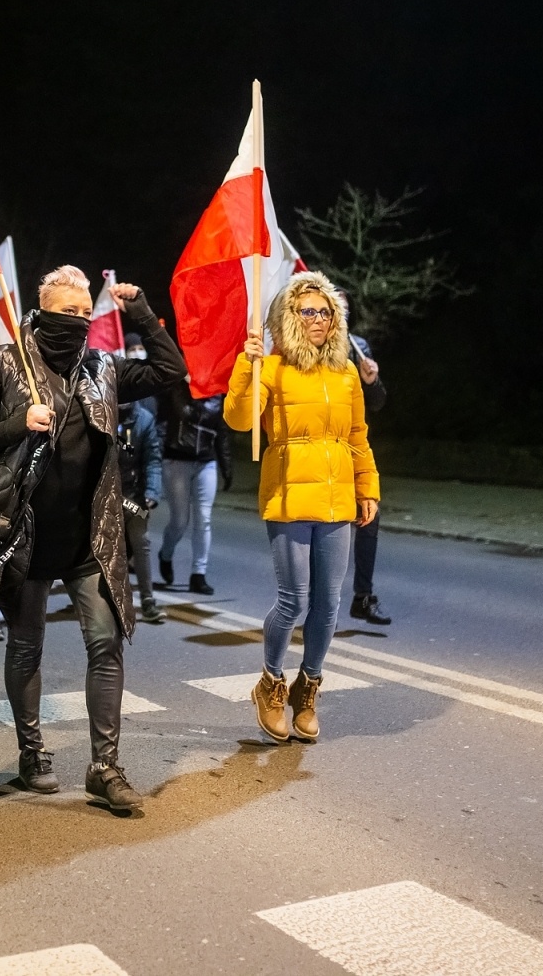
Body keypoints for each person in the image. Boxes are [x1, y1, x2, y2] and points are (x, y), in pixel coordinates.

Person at [0, 265, 184, 811]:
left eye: (86, 313)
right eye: (68, 313)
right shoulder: (8, 362)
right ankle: (31, 752)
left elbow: (169, 369)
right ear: (41, 312)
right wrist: (19, 423)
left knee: (106, 645)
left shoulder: (102, 367)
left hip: (91, 538)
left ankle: (104, 768)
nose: (79, 322)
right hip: (26, 535)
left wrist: (142, 313)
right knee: (26, 645)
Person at [224, 273, 379, 745]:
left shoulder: (347, 372)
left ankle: (307, 687)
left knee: (329, 604)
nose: (319, 319)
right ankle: (270, 682)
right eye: (308, 311)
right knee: (294, 600)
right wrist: (246, 367)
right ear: (289, 318)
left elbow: (357, 436)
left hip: (337, 497)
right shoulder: (270, 367)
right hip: (288, 493)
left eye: (326, 311)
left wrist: (367, 485)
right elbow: (238, 418)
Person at [156, 382, 232, 595]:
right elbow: (165, 419)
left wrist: (227, 467)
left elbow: (222, 431)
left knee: (204, 518)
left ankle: (198, 575)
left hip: (206, 461)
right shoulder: (177, 387)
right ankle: (166, 554)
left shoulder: (217, 395)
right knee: (180, 521)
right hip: (177, 459)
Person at [347, 331, 392, 626]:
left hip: (354, 447)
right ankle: (313, 600)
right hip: (319, 454)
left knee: (368, 516)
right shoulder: (300, 345)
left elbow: (376, 403)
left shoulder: (357, 346)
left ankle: (362, 595)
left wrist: (372, 382)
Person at [117, 398, 165, 623]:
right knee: (106, 547)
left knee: (142, 542)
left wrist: (152, 492)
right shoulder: (99, 412)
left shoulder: (143, 420)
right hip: (104, 493)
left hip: (133, 496)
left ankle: (147, 600)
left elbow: (152, 461)